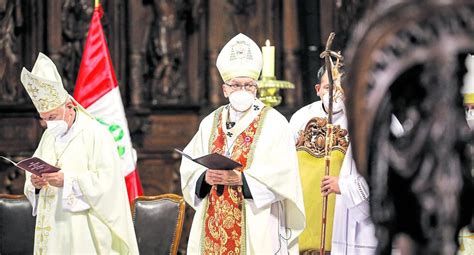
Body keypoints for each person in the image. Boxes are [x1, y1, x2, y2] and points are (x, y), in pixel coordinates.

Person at [179, 33, 305, 254]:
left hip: (257, 221)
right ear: (225, 89)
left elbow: (285, 174)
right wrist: (204, 177)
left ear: (257, 87)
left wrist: (241, 179)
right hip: (214, 218)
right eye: (236, 85)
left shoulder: (274, 122)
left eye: (249, 85)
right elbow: (189, 166)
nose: (243, 90)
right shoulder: (210, 122)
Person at [21, 53, 139, 254]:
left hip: (82, 230)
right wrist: (35, 184)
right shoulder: (48, 137)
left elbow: (109, 183)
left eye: (53, 116)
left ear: (70, 106)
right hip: (52, 228)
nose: (48, 123)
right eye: (43, 119)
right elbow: (34, 172)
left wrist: (68, 180)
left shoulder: (97, 134)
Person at [290, 65, 403, 254]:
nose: (335, 94)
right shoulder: (300, 119)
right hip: (309, 222)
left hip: (352, 226)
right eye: (329, 87)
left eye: (342, 88)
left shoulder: (370, 118)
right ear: (318, 90)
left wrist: (346, 186)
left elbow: (392, 173)